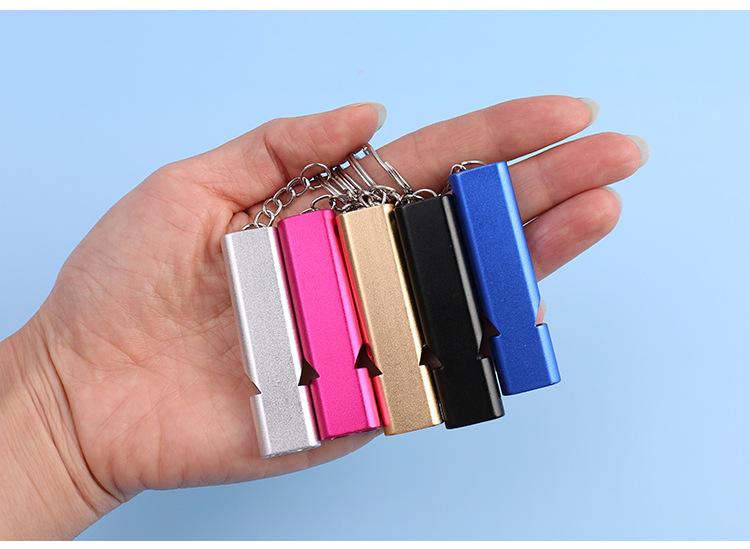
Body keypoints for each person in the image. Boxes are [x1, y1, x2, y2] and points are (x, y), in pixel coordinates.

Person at [0, 96, 648, 539]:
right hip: (343, 364)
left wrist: (59, 430)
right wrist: (58, 426)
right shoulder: (280, 253)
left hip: (385, 360)